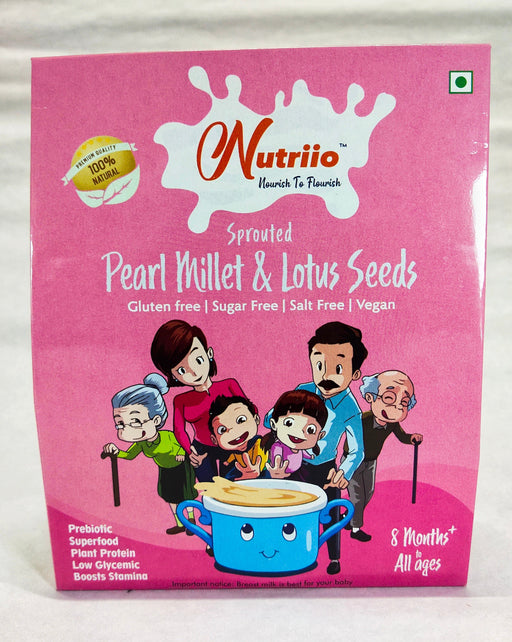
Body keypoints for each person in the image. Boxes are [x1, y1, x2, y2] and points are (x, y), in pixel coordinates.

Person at [266, 321, 367, 575]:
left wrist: (343, 472)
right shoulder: (303, 391)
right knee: (289, 510)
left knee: (330, 514)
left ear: (355, 373)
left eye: (338, 368)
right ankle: (285, 554)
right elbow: (272, 418)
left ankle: (334, 558)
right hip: (293, 465)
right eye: (319, 365)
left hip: (325, 470)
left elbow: (357, 450)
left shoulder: (350, 408)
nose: (326, 375)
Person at [151, 320, 246, 482]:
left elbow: (250, 410)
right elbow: (179, 430)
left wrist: (243, 435)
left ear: (209, 354)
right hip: (202, 449)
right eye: (182, 370)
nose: (194, 372)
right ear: (173, 375)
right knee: (208, 489)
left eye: (198, 360)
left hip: (231, 442)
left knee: (233, 486)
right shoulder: (181, 400)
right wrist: (190, 451)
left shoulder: (229, 385)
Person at [102, 373, 197, 535]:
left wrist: (181, 452)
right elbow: (129, 455)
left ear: (156, 420)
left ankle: (191, 520)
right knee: (170, 497)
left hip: (181, 467)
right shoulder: (141, 443)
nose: (126, 429)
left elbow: (182, 444)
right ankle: (180, 523)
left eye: (135, 421)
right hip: (165, 470)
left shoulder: (168, 436)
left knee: (185, 495)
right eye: (120, 423)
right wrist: (116, 452)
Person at [343, 370, 423, 542]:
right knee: (357, 496)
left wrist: (411, 438)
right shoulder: (362, 419)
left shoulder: (392, 424)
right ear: (371, 397)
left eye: (403, 403)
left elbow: (402, 436)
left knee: (369, 493)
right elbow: (347, 433)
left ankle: (350, 517)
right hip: (353, 461)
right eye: (388, 398)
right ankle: (355, 529)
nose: (396, 407)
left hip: (371, 462)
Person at [262, 389, 327, 479]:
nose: (299, 432)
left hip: (295, 473)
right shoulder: (278, 446)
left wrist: (310, 456)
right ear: (273, 424)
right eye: (289, 423)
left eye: (310, 430)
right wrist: (275, 469)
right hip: (278, 475)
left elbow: (303, 453)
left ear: (320, 436)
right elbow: (276, 457)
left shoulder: (299, 449)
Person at [208, 395, 268, 480]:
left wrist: (258, 471)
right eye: (222, 430)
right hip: (240, 470)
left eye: (241, 420)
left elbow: (263, 457)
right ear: (214, 440)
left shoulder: (259, 442)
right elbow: (233, 456)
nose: (233, 431)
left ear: (256, 420)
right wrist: (228, 462)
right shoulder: (228, 453)